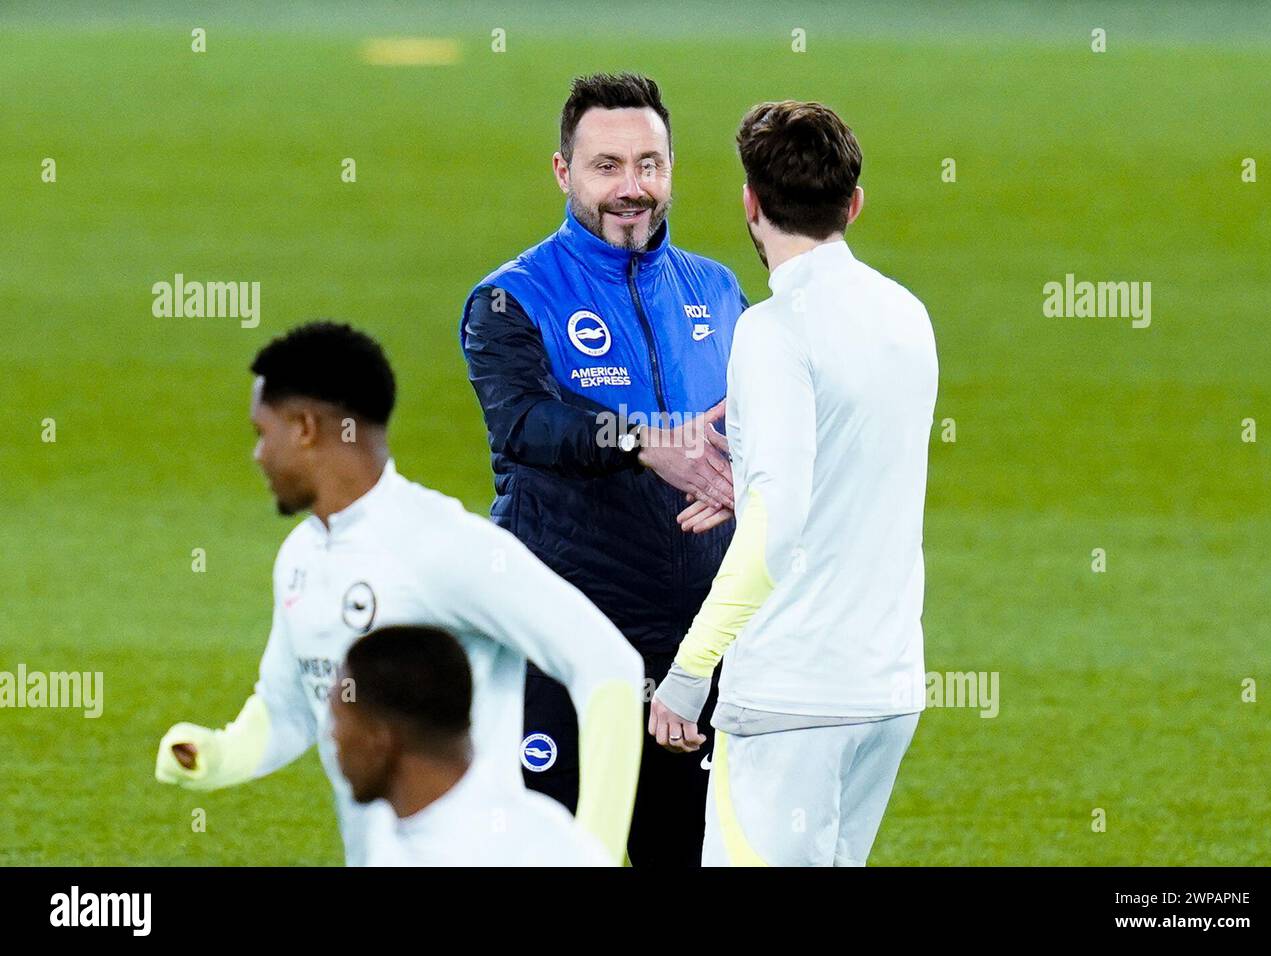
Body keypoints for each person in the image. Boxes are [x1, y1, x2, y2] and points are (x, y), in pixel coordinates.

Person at [154, 321, 643, 865]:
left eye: (261, 433)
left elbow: (609, 664)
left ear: (307, 429)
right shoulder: (301, 556)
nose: (258, 455)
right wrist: (215, 755)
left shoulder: (443, 545)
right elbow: (293, 707)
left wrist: (591, 851)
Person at [460, 73, 748, 866]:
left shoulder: (720, 293)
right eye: (608, 166)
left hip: (691, 655)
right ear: (564, 172)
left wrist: (743, 481)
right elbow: (524, 422)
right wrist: (644, 438)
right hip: (560, 646)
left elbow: (765, 434)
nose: (633, 188)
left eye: (649, 165)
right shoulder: (510, 299)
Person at [650, 101, 938, 866]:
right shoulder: (908, 316)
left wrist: (687, 673)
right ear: (854, 204)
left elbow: (777, 528)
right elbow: (857, 463)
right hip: (886, 689)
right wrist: (753, 473)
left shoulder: (772, 332)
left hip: (792, 697)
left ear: (751, 203)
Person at [331, 624, 611, 866]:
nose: (333, 738)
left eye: (339, 721)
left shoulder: (537, 849)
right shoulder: (388, 839)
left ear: (381, 740)